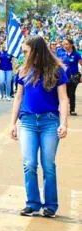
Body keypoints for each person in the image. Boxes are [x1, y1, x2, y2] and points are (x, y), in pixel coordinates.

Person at [9, 37, 69, 218]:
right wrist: (12, 123)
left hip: (50, 121)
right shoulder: (23, 70)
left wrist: (64, 123)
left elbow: (63, 98)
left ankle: (50, 205)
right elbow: (18, 98)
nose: (24, 55)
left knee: (48, 164)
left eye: (26, 51)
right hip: (27, 121)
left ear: (36, 51)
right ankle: (33, 203)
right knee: (29, 164)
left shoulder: (57, 70)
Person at [56, 38, 80, 116]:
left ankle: (72, 110)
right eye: (64, 44)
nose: (65, 45)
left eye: (66, 44)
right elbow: (56, 62)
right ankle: (60, 109)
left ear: (71, 45)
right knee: (62, 93)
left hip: (73, 77)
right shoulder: (60, 52)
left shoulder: (76, 54)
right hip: (62, 77)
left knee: (71, 93)